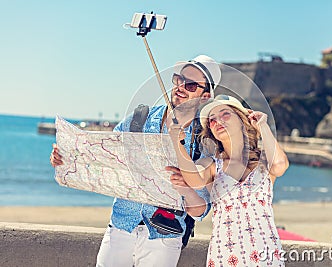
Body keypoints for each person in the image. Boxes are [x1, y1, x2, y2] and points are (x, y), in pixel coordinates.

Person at [50, 55, 222, 267]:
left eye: (191, 84)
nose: (180, 86)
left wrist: (185, 187)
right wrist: (65, 158)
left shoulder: (205, 140)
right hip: (121, 226)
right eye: (178, 79)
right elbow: (101, 157)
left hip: (164, 239)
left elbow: (201, 210)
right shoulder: (140, 118)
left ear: (205, 96)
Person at [168, 95, 289, 266]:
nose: (218, 122)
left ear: (241, 120)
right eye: (212, 120)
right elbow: (194, 181)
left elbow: (280, 165)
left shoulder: (264, 162)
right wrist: (177, 143)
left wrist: (262, 126)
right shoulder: (211, 164)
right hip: (225, 256)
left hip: (266, 257)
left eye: (225, 114)